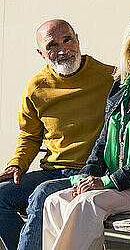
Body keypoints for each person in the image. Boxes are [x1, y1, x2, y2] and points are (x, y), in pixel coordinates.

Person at [42, 13, 130, 250]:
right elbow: (102, 141)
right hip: (120, 188)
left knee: (87, 204)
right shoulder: (121, 86)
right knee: (55, 201)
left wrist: (109, 181)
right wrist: (86, 175)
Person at [0, 19, 114, 250]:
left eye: (68, 40)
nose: (63, 50)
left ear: (78, 39)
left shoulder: (109, 77)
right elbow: (30, 136)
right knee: (1, 198)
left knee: (41, 197)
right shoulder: (36, 87)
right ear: (41, 53)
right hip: (53, 171)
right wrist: (17, 165)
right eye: (52, 45)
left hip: (90, 173)